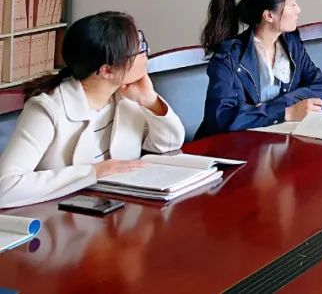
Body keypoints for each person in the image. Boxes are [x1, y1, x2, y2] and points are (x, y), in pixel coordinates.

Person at [0, 12, 184, 209]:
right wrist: (93, 172)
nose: (147, 53)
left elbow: (168, 144)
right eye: (139, 49)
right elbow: (6, 188)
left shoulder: (125, 95)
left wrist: (150, 101)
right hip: (57, 217)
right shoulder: (47, 110)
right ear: (107, 70)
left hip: (116, 212)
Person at [196, 0, 322, 138]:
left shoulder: (292, 43)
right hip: (229, 146)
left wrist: (282, 105)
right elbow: (220, 117)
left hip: (274, 139)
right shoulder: (228, 56)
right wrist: (285, 112)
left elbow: (320, 86)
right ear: (268, 15)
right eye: (292, 4)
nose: (298, 10)